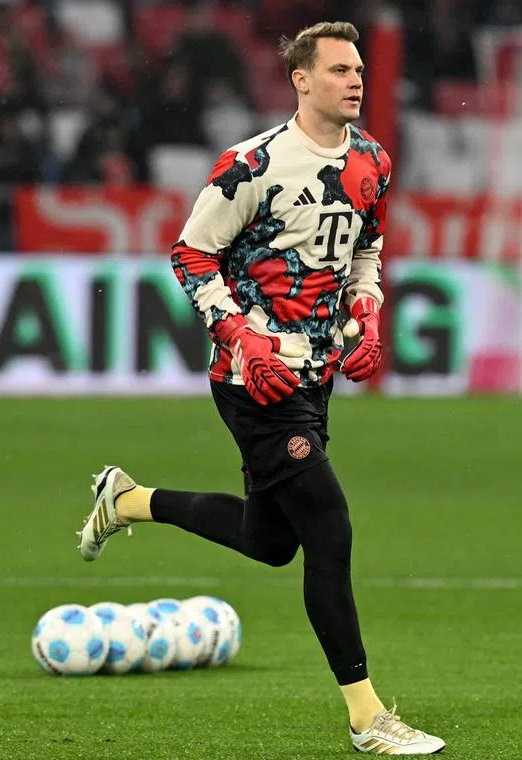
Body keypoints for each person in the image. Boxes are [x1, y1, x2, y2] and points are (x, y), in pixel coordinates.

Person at [75, 20, 446, 757]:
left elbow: (366, 252)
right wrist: (238, 334)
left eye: (359, 69)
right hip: (254, 377)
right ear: (301, 79)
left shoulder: (372, 161)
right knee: (330, 529)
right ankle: (368, 718)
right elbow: (190, 255)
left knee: (271, 541)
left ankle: (127, 500)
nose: (355, 80)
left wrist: (368, 316)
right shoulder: (253, 164)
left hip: (313, 375)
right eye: (339, 69)